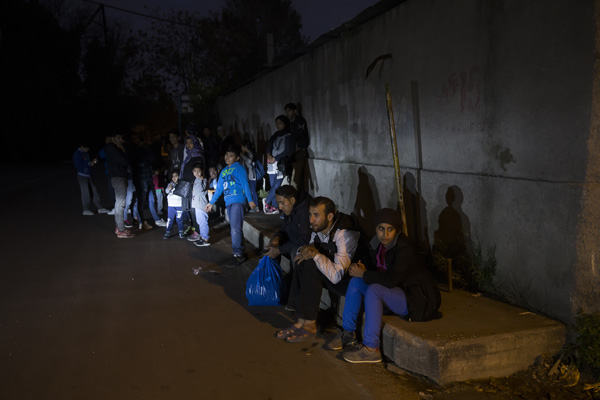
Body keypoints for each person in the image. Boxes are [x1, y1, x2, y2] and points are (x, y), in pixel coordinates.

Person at [326, 208, 441, 364]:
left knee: (374, 290)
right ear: (376, 229)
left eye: (390, 229)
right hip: (394, 292)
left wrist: (364, 274)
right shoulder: (376, 244)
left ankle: (371, 349)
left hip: (414, 299)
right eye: (381, 229)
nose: (385, 234)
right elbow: (375, 269)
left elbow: (391, 280)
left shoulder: (404, 248)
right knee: (356, 282)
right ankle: (348, 333)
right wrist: (362, 269)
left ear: (396, 230)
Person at [274, 196, 360, 343]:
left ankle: (310, 324)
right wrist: (306, 250)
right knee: (302, 260)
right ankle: (301, 320)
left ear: (330, 216)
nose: (311, 220)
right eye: (310, 214)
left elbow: (336, 276)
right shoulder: (318, 228)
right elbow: (309, 249)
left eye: (316, 215)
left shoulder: (344, 234)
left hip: (347, 281)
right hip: (330, 273)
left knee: (310, 262)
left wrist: (315, 254)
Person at [205, 144, 257, 267]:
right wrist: (211, 203)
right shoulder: (223, 171)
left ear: (237, 158)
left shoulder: (240, 169)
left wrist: (250, 200)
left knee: (235, 228)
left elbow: (245, 185)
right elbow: (219, 189)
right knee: (235, 227)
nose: (227, 158)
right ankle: (240, 251)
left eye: (231, 156)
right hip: (228, 202)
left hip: (238, 201)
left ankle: (238, 254)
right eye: (226, 155)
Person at [264, 185, 312, 266]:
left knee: (294, 251)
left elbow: (304, 240)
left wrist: (280, 250)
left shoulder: (304, 212)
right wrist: (277, 237)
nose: (280, 207)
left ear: (292, 200)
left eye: (282, 203)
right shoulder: (290, 208)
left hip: (307, 246)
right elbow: (284, 227)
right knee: (273, 247)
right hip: (294, 240)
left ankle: (294, 273)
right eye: (278, 203)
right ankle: (274, 273)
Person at [104, 133, 135, 238]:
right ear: (113, 138)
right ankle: (121, 230)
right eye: (119, 138)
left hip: (118, 177)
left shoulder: (111, 149)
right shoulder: (113, 149)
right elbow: (124, 161)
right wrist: (123, 150)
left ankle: (119, 227)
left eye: (122, 138)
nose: (121, 140)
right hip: (118, 178)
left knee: (120, 203)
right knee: (120, 204)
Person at [264, 115, 294, 215]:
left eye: (280, 123)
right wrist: (268, 155)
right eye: (277, 123)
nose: (278, 125)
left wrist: (275, 158)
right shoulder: (275, 135)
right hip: (271, 163)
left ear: (285, 123)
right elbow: (269, 146)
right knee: (273, 185)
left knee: (277, 186)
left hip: (280, 163)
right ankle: (273, 206)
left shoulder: (288, 134)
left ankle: (267, 201)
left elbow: (287, 150)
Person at [73, 142, 110, 216]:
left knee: (94, 191)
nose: (88, 150)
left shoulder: (85, 153)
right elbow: (78, 165)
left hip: (88, 175)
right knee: (85, 193)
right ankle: (85, 209)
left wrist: (92, 162)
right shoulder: (77, 153)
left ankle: (100, 208)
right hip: (82, 176)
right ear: (82, 146)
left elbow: (88, 163)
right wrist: (89, 164)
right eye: (86, 148)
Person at [284, 103, 309, 190]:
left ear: (295, 111)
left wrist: (299, 147)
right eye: (286, 111)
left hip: (298, 153)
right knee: (293, 178)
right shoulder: (291, 124)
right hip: (292, 153)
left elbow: (303, 137)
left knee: (296, 179)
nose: (287, 113)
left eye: (289, 111)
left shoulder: (299, 122)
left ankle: (294, 196)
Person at [188, 163, 210, 247]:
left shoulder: (203, 179)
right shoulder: (196, 179)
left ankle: (205, 239)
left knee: (203, 221)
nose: (197, 173)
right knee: (200, 221)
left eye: (198, 171)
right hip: (197, 204)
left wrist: (201, 180)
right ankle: (202, 236)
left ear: (202, 171)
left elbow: (201, 189)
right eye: (195, 171)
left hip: (201, 204)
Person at [164, 169, 185, 239]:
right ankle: (167, 232)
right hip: (171, 205)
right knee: (170, 219)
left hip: (179, 205)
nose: (174, 177)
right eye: (173, 176)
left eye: (176, 176)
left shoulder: (181, 184)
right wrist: (169, 188)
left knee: (179, 219)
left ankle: (181, 232)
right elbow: (166, 191)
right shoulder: (170, 184)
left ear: (179, 176)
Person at [240, 140, 260, 212]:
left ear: (245, 147)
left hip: (252, 176)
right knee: (248, 191)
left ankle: (255, 207)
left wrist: (242, 156)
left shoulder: (250, 154)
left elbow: (250, 161)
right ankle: (250, 206)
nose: (241, 148)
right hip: (248, 176)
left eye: (242, 147)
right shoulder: (246, 154)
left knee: (252, 191)